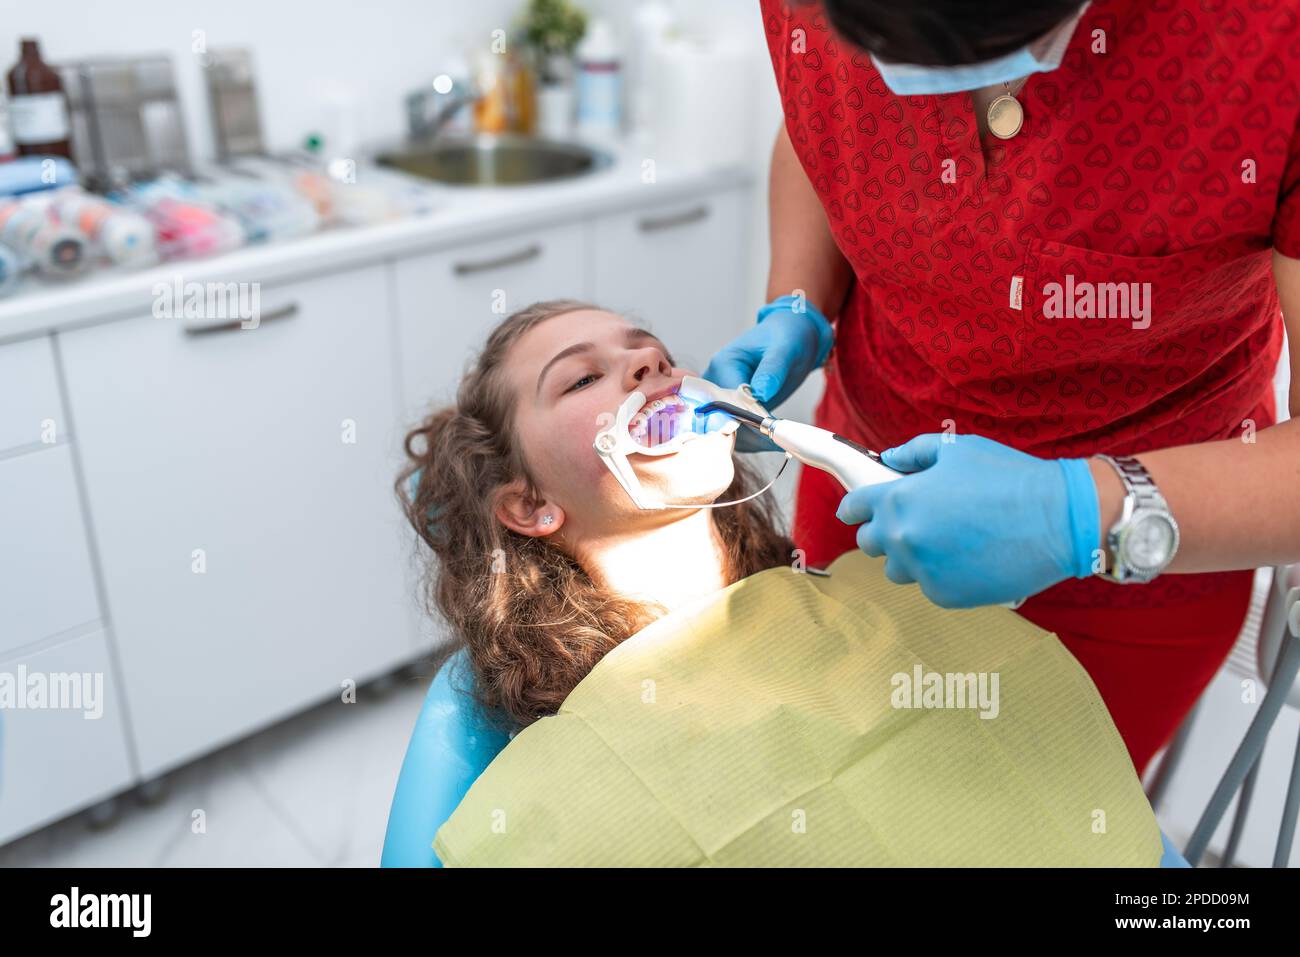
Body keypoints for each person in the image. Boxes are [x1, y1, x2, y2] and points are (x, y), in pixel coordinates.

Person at [704, 0, 1300, 777]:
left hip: (1134, 576)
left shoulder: (1270, 39)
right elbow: (822, 126)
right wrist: (797, 300)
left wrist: (1076, 512)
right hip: (866, 508)